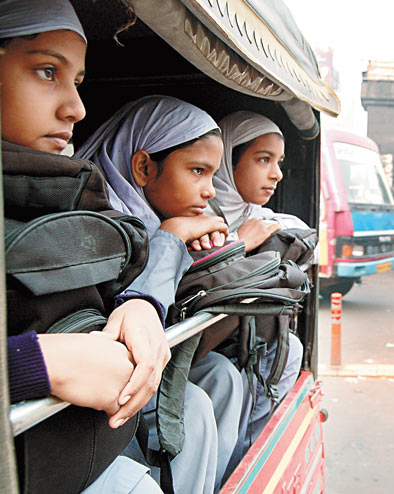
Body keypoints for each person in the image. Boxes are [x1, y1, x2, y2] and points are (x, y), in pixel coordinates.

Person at [0, 1, 166, 491]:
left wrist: (136, 304)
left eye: (77, 81)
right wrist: (32, 364)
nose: (77, 108)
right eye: (47, 70)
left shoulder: (66, 196)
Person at [75, 95, 244, 492]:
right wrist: (170, 238)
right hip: (98, 411)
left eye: (212, 175)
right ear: (143, 167)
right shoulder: (98, 225)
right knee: (194, 409)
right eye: (197, 171)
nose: (209, 191)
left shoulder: (164, 221)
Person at [207, 110, 306, 476]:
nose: (277, 174)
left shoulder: (256, 214)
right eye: (263, 160)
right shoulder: (199, 213)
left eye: (278, 162)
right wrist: (238, 243)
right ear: (228, 163)